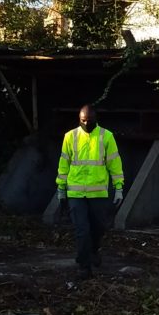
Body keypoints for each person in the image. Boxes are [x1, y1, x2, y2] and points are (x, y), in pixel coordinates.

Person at [56, 105, 124, 281]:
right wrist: (61, 188)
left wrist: (119, 188)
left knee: (98, 228)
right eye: (83, 120)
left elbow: (114, 164)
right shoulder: (70, 137)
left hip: (98, 193)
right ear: (79, 118)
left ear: (95, 118)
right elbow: (64, 164)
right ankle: (83, 266)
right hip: (76, 193)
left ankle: (93, 250)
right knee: (81, 230)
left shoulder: (106, 136)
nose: (86, 123)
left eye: (89, 120)